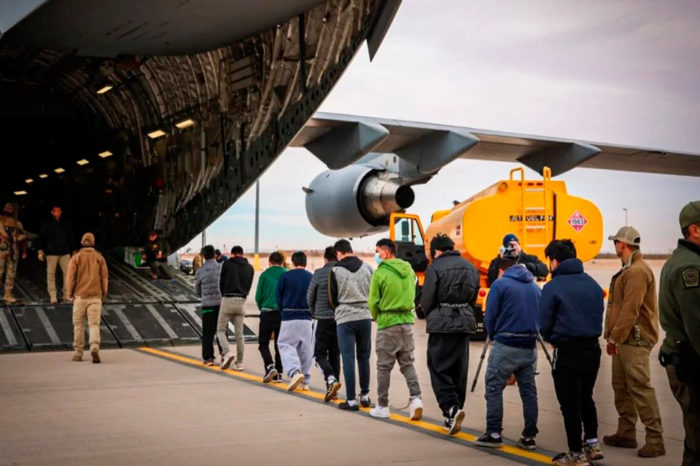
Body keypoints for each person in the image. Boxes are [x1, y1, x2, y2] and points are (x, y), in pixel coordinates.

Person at [540, 239, 604, 466]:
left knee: (570, 404)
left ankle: (576, 454)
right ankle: (593, 443)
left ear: (554, 261)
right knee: (586, 397)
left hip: (567, 351)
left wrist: (552, 338)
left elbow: (544, 322)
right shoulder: (593, 284)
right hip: (592, 350)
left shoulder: (552, 287)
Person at [603, 226, 665, 458]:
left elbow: (630, 310)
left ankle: (655, 440)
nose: (614, 246)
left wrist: (614, 338)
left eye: (616, 242)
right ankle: (626, 433)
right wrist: (615, 338)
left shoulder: (637, 271)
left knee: (640, 388)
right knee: (621, 387)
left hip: (635, 340)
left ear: (623, 244)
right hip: (624, 340)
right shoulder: (629, 269)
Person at [476, 246, 540, 450]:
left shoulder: (501, 284)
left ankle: (494, 432)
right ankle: (529, 435)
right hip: (529, 345)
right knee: (528, 392)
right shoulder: (533, 286)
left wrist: (494, 334)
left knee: (494, 387)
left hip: (506, 343)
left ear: (502, 270)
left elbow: (490, 316)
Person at [421, 234, 480, 435]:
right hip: (464, 322)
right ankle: (453, 413)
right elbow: (474, 297)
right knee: (459, 369)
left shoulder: (435, 268)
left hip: (442, 324)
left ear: (436, 251)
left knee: (438, 367)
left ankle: (451, 407)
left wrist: (432, 314)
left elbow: (427, 299)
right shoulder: (470, 266)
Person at [658, 201, 700, 466]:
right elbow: (697, 323)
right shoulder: (690, 267)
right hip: (691, 361)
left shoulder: (684, 260)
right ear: (695, 230)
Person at [367, 238, 422, 420]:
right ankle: (416, 400)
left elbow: (373, 302)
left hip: (387, 322)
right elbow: (414, 293)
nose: (377, 255)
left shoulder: (380, 273)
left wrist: (377, 317)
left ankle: (382, 405)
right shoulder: (409, 270)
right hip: (407, 322)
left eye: (378, 251)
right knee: (408, 364)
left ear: (386, 251)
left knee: (383, 367)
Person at [329, 239, 374, 411]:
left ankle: (350, 399)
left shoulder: (336, 270)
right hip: (364, 317)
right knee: (364, 357)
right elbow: (373, 292)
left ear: (339, 253)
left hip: (345, 319)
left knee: (348, 358)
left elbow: (332, 299)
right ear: (351, 250)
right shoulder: (367, 267)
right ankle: (365, 395)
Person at [66, 233, 108, 363]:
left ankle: (78, 353)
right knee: (94, 324)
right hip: (95, 297)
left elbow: (70, 278)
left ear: (82, 242)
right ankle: (94, 346)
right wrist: (103, 294)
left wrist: (69, 294)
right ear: (93, 243)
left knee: (78, 325)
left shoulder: (76, 258)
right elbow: (104, 278)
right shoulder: (99, 258)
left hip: (80, 296)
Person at [307, 246, 342, 401]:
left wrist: (314, 312)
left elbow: (310, 296)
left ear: (325, 258)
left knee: (319, 355)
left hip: (322, 319)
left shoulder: (319, 273)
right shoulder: (342, 273)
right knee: (335, 354)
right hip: (340, 320)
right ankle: (333, 389)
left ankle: (331, 379)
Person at [276, 251, 314, 391]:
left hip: (289, 316)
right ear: (305, 262)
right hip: (306, 319)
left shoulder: (285, 276)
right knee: (305, 349)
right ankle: (305, 380)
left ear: (293, 262)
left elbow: (278, 297)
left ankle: (294, 371)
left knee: (285, 344)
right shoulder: (311, 277)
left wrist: (283, 312)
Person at [218, 245, 254, 370]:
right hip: (242, 301)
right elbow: (249, 286)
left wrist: (224, 296)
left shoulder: (227, 264)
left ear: (232, 254)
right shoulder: (250, 267)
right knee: (240, 334)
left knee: (221, 330)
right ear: (242, 254)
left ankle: (227, 353)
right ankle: (240, 363)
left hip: (228, 298)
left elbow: (221, 283)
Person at [255, 251, 286, 383]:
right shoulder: (286, 274)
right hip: (281, 313)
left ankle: (269, 366)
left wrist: (262, 307)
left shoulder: (264, 275)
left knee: (263, 343)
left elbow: (258, 296)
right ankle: (279, 373)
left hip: (267, 312)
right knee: (280, 344)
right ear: (282, 262)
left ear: (270, 262)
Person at [38, 205, 77, 304]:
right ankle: (53, 296)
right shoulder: (47, 223)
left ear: (61, 212)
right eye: (55, 211)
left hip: (64, 252)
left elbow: (71, 237)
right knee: (51, 274)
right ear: (52, 212)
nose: (57, 213)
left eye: (59, 211)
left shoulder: (66, 223)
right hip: (51, 253)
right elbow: (41, 237)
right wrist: (40, 250)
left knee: (68, 274)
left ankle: (67, 295)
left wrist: (74, 250)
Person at [194, 245, 222, 366]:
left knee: (207, 332)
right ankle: (224, 354)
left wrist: (203, 296)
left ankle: (208, 357)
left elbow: (197, 290)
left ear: (204, 256)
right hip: (221, 304)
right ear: (215, 254)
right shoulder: (221, 267)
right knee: (221, 330)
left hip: (207, 304)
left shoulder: (200, 270)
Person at [0, 202, 27, 303]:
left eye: (11, 209)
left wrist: (24, 250)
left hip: (13, 251)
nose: (9, 210)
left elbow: (24, 236)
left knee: (11, 274)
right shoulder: (0, 220)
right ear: (4, 209)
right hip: (1, 251)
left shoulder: (17, 223)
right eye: (7, 208)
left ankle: (7, 295)